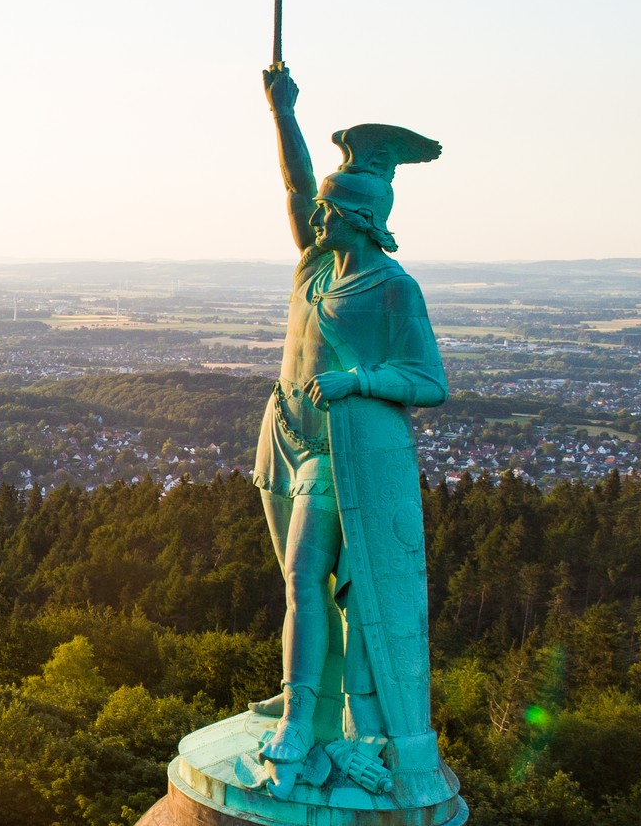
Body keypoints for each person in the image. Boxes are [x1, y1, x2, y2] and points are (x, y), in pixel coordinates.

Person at [250, 65, 447, 782]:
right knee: (294, 581)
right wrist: (285, 114)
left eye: (332, 210)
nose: (316, 216)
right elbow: (297, 186)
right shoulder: (316, 264)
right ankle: (310, 693)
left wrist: (358, 380)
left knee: (308, 576)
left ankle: (304, 724)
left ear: (362, 219)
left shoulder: (393, 287)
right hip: (287, 438)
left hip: (339, 451)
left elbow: (430, 380)